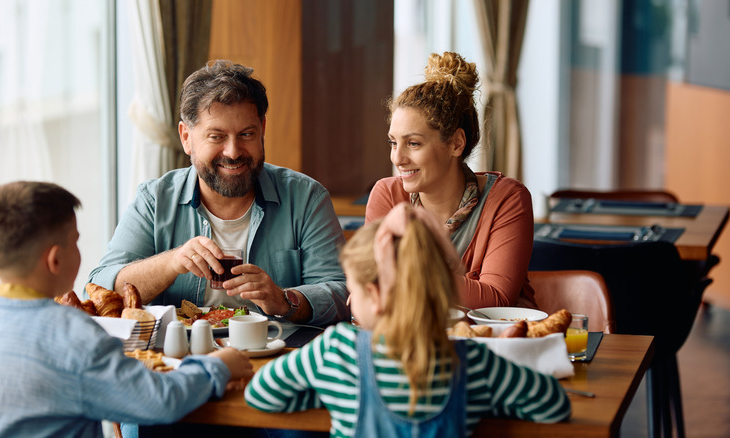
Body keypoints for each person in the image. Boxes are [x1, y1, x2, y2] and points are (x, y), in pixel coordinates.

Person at [0, 181, 253, 437]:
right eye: (76, 242)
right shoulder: (74, 335)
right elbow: (159, 401)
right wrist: (220, 365)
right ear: (55, 260)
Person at [245, 203, 570, 436]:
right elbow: (555, 406)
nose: (348, 300)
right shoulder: (476, 364)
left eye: (352, 289)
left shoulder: (335, 353)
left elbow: (260, 393)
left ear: (374, 295)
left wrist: (328, 389)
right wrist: (491, 401)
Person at [89, 60, 349, 326]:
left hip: (281, 357)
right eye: (216, 137)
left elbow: (343, 295)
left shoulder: (306, 198)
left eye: (247, 134)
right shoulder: (154, 200)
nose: (233, 152)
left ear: (263, 130)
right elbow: (101, 289)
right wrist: (172, 263)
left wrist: (284, 300)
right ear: (186, 137)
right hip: (180, 359)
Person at [365, 51, 537, 309]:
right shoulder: (387, 195)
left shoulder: (507, 199)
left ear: (456, 143)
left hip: (493, 344)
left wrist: (401, 271)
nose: (397, 158)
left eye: (413, 143)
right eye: (393, 142)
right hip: (414, 345)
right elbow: (373, 287)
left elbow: (495, 299)